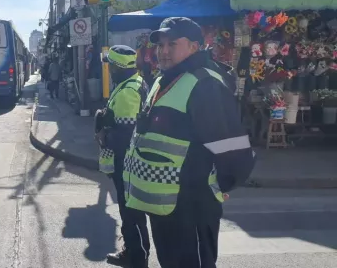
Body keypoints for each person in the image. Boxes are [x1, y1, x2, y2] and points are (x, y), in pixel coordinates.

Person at [123, 17, 256, 268]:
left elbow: (234, 152)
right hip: (165, 208)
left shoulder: (204, 84)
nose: (163, 51)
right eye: (160, 45)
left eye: (172, 44)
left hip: (191, 208)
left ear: (195, 47)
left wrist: (210, 190)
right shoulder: (164, 80)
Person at [94, 45, 150, 268]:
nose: (108, 69)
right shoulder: (131, 83)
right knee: (129, 212)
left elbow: (127, 137)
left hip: (126, 164)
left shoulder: (128, 91)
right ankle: (134, 253)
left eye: (110, 65)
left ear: (116, 68)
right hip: (126, 164)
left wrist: (104, 133)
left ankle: (137, 258)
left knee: (131, 214)